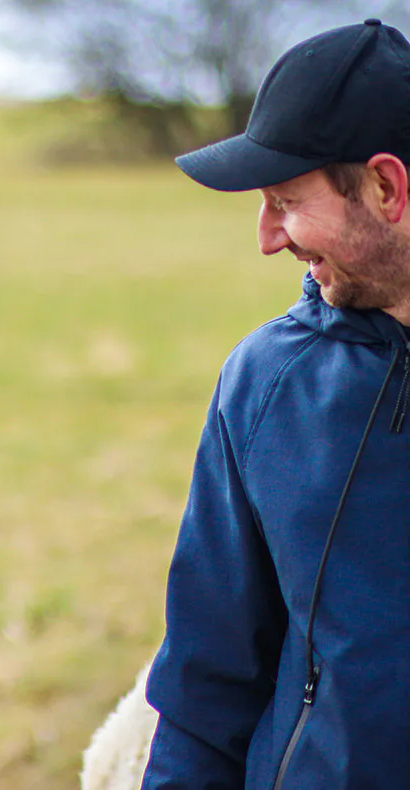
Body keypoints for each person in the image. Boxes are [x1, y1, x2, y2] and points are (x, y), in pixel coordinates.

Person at [142, 19, 410, 789]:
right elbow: (207, 676)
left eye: (287, 201)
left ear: (386, 188)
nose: (267, 238)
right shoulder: (263, 381)